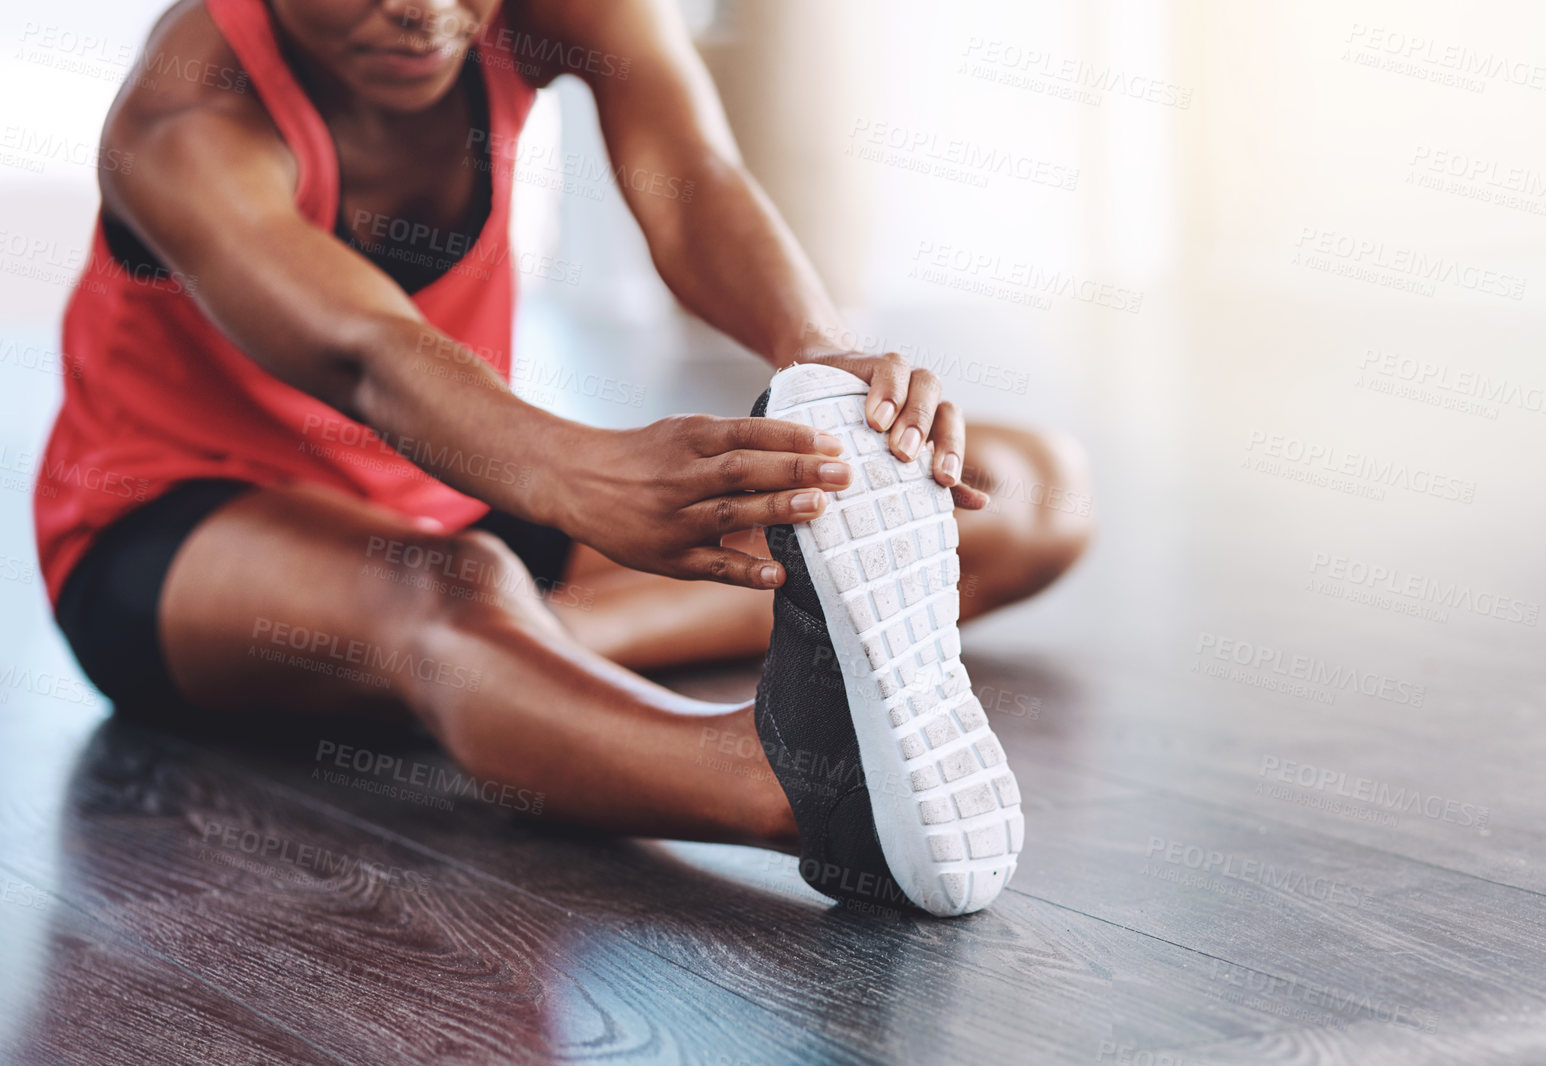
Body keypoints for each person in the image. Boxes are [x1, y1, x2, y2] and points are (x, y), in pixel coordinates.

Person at [33, 0, 1091, 896]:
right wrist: (580, 471)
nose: (421, 8)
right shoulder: (184, 117)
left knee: (1018, 491)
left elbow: (691, 176)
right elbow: (366, 352)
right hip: (175, 534)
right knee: (444, 589)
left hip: (447, 475)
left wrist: (825, 358)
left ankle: (522, 670)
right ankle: (804, 793)